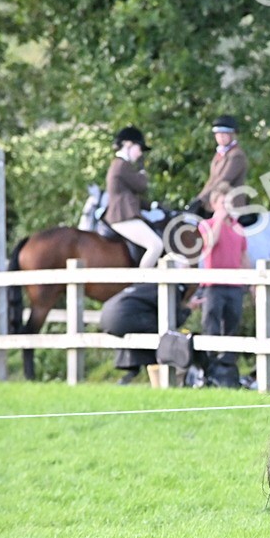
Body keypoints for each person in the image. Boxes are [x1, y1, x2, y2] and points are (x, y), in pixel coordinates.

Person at [197, 182, 250, 387]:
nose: (227, 205)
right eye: (222, 201)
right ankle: (208, 371)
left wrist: (253, 282)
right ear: (214, 204)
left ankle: (227, 372)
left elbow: (244, 256)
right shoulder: (206, 225)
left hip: (235, 286)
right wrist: (219, 218)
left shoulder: (238, 227)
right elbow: (210, 243)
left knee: (232, 325)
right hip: (213, 285)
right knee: (210, 325)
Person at [100, 282, 191, 384]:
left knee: (145, 330)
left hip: (107, 318)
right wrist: (188, 309)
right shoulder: (172, 289)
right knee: (164, 337)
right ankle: (165, 377)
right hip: (124, 318)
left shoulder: (145, 286)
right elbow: (175, 320)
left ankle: (133, 373)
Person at [104, 126, 165, 269]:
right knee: (155, 245)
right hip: (122, 217)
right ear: (127, 144)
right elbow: (142, 186)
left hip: (123, 214)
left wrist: (153, 206)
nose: (139, 154)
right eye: (139, 148)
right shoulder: (121, 165)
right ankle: (142, 283)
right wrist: (142, 170)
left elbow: (131, 196)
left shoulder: (120, 165)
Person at [189, 114, 248, 217]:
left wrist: (202, 199)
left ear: (232, 135)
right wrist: (199, 199)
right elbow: (211, 180)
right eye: (218, 134)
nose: (220, 137)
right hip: (215, 204)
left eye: (224, 134)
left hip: (231, 205)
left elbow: (223, 179)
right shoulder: (219, 154)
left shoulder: (236, 155)